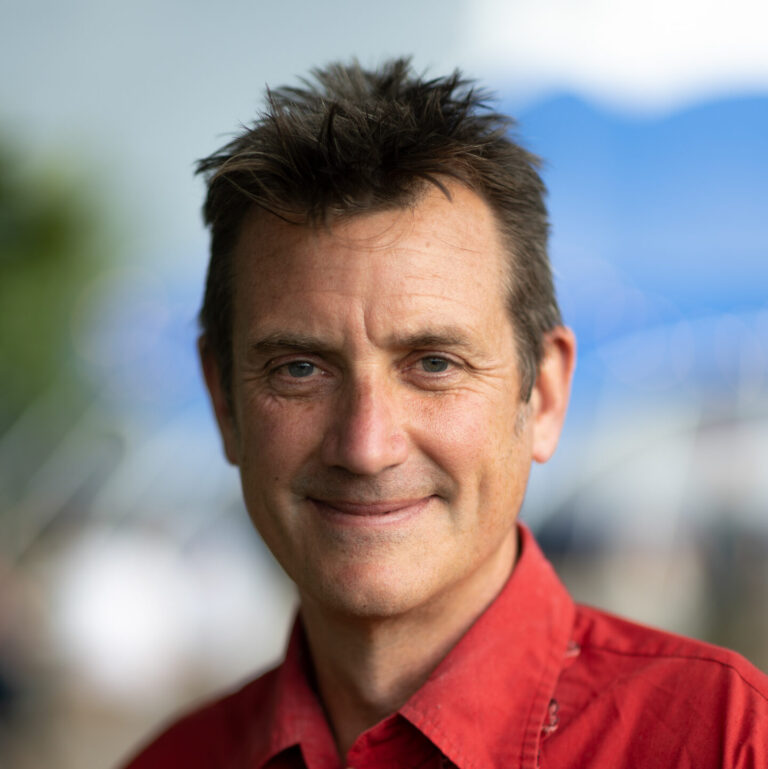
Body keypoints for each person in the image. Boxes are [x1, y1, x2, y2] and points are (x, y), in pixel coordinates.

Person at [121, 58, 768, 769]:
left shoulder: (724, 741)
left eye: (434, 364)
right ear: (224, 402)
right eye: (300, 369)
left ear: (545, 394)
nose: (366, 445)